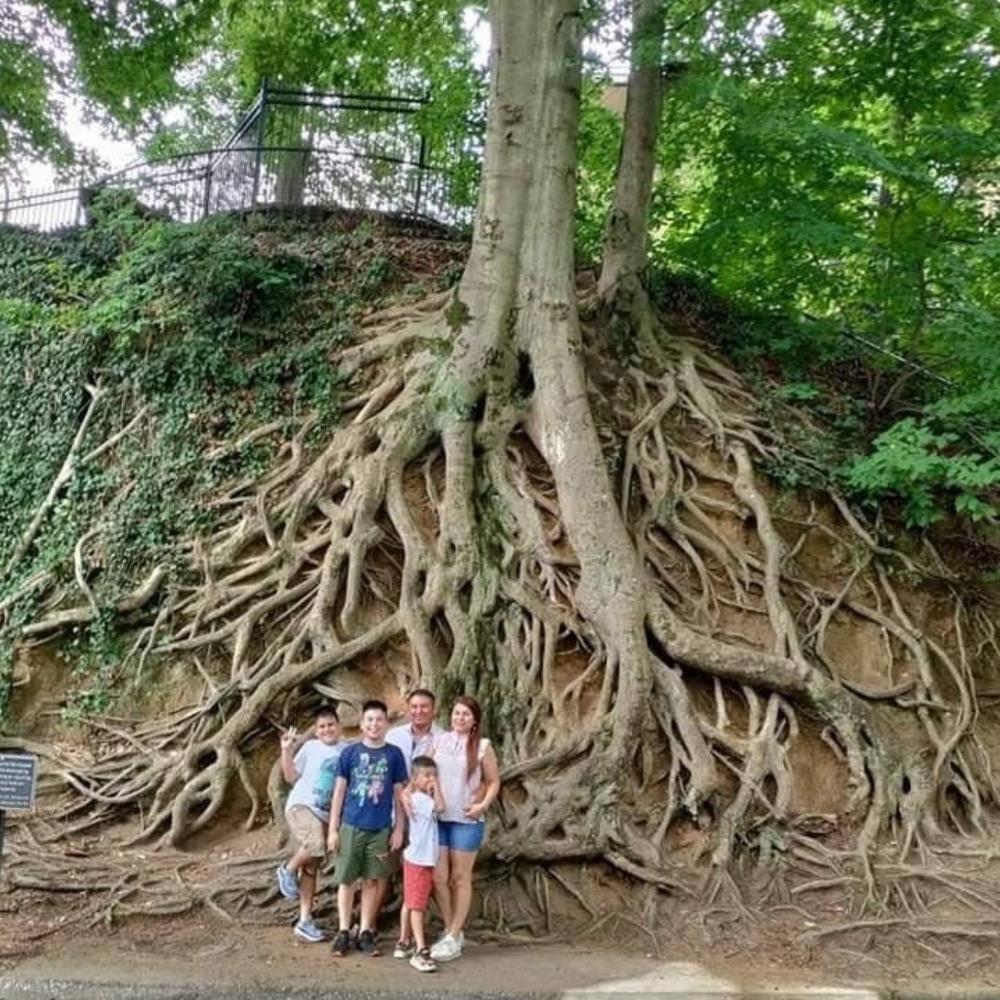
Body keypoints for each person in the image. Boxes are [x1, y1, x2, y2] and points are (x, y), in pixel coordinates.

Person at [327, 699, 408, 958]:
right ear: (362, 724)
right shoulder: (350, 753)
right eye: (369, 720)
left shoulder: (394, 755)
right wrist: (333, 829)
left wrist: (399, 829)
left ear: (386, 723)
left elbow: (399, 795)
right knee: (347, 879)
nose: (374, 724)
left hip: (380, 828)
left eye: (379, 720)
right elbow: (339, 792)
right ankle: (343, 931)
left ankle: (365, 931)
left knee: (372, 880)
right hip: (351, 825)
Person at [429, 695, 501, 963]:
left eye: (466, 714)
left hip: (466, 820)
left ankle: (453, 934)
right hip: (438, 819)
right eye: (457, 713)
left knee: (460, 878)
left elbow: (493, 781)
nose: (460, 718)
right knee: (438, 878)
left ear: (474, 721)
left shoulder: (482, 746)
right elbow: (425, 773)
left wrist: (482, 805)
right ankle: (452, 931)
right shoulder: (439, 741)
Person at [275, 705, 344, 943]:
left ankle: (304, 921)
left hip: (325, 816)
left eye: (330, 725)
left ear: (339, 726)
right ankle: (287, 870)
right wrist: (286, 751)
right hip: (302, 806)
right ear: (315, 730)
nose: (327, 730)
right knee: (316, 844)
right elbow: (290, 777)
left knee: (312, 866)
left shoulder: (346, 750)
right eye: (322, 727)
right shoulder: (311, 747)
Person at [392, 755, 445, 973]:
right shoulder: (421, 799)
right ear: (415, 779)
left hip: (418, 858)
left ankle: (403, 941)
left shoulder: (417, 796)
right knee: (417, 906)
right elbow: (441, 807)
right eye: (427, 775)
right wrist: (437, 788)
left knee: (410, 901)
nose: (431, 779)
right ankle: (420, 950)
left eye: (434, 775)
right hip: (419, 860)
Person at [387, 688, 443, 775]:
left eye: (424, 706)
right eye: (414, 707)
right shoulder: (393, 736)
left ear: (434, 709)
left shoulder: (443, 738)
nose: (418, 711)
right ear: (408, 709)